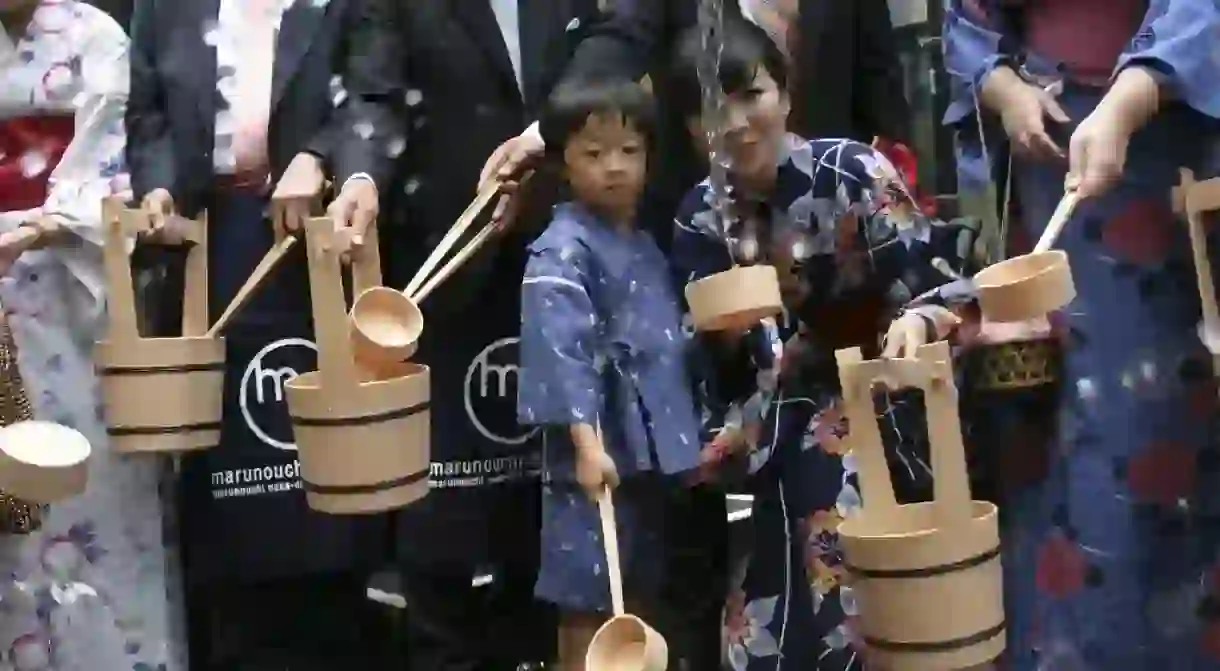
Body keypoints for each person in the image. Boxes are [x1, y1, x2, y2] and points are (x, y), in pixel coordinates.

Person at [668, 19, 975, 670]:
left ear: (783, 89)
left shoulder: (851, 168)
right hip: (775, 400)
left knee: (832, 476)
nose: (737, 122)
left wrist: (917, 322)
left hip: (887, 379)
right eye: (712, 109)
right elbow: (701, 350)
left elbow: (939, 280)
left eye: (751, 94)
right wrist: (719, 336)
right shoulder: (699, 213)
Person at [317, 0, 604, 667]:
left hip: (570, 264)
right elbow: (371, 91)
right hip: (443, 270)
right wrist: (361, 174)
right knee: (444, 526)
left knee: (556, 514)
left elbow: (612, 57)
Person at [942, 0, 1220, 667]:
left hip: (1160, 154)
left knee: (1149, 438)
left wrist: (1130, 97)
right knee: (1043, 426)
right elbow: (966, 18)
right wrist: (1003, 88)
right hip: (1049, 150)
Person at [125, 0, 390, 668]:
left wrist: (319, 154)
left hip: (314, 255)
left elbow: (374, 95)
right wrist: (156, 191)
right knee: (227, 512)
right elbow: (148, 114)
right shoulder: (164, 9)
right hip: (204, 258)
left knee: (325, 501)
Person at [0, 0, 189, 668]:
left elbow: (112, 163)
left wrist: (42, 224)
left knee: (89, 485)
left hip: (70, 284)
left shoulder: (93, 35)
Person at [517, 78, 705, 670]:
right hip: (593, 449)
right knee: (587, 600)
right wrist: (585, 445)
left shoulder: (647, 243)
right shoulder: (560, 248)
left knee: (638, 594)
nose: (614, 167)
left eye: (629, 150)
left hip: (648, 446)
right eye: (593, 153)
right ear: (564, 162)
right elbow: (560, 352)